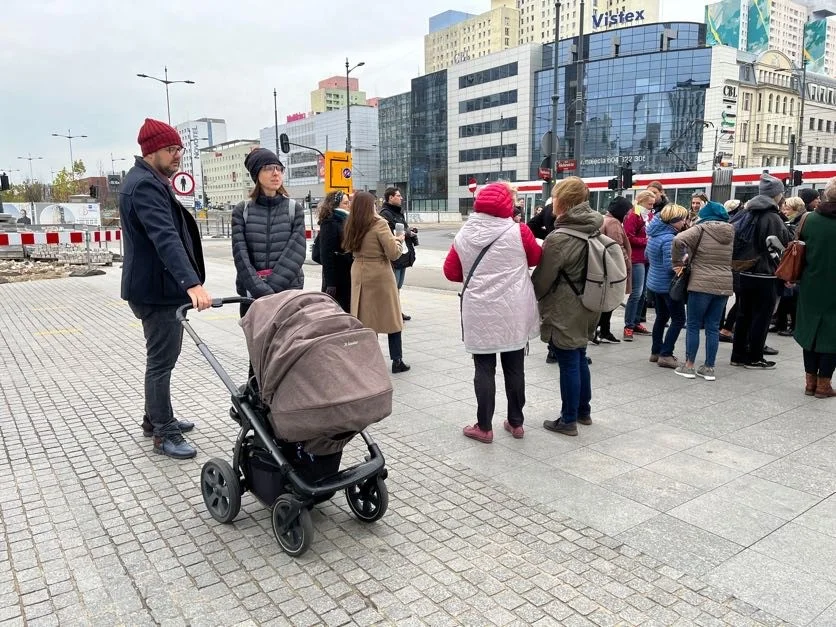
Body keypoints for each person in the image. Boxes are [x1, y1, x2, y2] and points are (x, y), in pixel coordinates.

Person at [120, 118, 210, 459]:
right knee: (161, 362)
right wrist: (192, 284)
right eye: (171, 150)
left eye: (179, 150)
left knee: (161, 360)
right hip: (155, 293)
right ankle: (163, 433)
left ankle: (154, 418)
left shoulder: (149, 180)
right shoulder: (144, 185)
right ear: (152, 150)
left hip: (156, 288)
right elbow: (165, 238)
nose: (177, 156)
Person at [443, 182, 542, 443]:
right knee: (514, 367)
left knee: (484, 368)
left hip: (479, 311)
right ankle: (516, 422)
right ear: (507, 205)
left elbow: (451, 272)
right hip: (513, 309)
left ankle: (484, 427)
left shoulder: (463, 234)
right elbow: (535, 258)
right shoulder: (519, 231)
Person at [532, 177, 601, 436]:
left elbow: (543, 279)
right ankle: (583, 411)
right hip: (589, 301)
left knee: (569, 361)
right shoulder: (594, 226)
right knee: (580, 356)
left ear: (562, 201)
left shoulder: (560, 237)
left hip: (565, 306)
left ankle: (568, 419)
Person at [231, 147, 306, 329]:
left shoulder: (293, 208)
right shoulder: (242, 211)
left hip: (287, 293)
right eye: (268, 168)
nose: (275, 173)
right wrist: (259, 289)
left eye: (279, 168)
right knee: (258, 350)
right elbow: (240, 254)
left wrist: (270, 289)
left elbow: (296, 252)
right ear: (256, 174)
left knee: (288, 348)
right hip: (252, 293)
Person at [343, 191, 410, 373]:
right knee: (392, 317)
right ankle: (397, 360)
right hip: (379, 271)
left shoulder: (351, 223)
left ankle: (366, 359)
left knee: (365, 318)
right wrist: (398, 240)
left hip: (359, 270)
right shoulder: (378, 223)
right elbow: (393, 253)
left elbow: (348, 247)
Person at [730, 174, 791, 370]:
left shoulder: (745, 213)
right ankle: (755, 357)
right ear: (777, 195)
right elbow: (782, 244)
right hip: (765, 274)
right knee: (762, 316)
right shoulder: (771, 217)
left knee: (743, 314)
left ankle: (738, 355)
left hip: (743, 271)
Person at [671, 202, 735, 380]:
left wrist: (677, 263)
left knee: (693, 324)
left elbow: (678, 240)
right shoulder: (730, 230)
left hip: (700, 283)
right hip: (723, 284)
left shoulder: (701, 228)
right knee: (713, 327)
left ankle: (689, 365)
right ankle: (709, 368)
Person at [795, 177, 836, 398]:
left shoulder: (808, 220)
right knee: (832, 335)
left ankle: (810, 382)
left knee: (809, 331)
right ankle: (823, 385)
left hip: (811, 284)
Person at [646, 204, 690, 368]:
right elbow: (670, 266)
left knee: (661, 317)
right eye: (682, 219)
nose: (684, 221)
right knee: (679, 319)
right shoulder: (670, 239)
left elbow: (647, 255)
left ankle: (656, 352)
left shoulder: (655, 234)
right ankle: (666, 354)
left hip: (655, 283)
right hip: (668, 286)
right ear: (674, 221)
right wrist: (685, 258)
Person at [595, 196, 632, 344]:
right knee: (610, 300)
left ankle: (599, 329)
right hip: (613, 268)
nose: (629, 215)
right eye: (628, 211)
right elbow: (617, 246)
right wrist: (626, 263)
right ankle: (603, 331)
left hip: (603, 266)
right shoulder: (614, 223)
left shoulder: (604, 219)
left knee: (604, 300)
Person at [378, 187, 417, 321]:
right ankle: (391, 313)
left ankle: (396, 311)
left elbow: (403, 228)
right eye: (398, 196)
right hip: (394, 253)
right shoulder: (385, 214)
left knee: (398, 286)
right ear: (390, 198)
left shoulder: (398, 213)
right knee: (392, 286)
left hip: (403, 252)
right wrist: (405, 233)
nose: (401, 198)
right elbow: (388, 235)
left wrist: (409, 231)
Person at [622, 190, 654, 340]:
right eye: (649, 204)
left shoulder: (647, 214)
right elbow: (628, 237)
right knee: (637, 292)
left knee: (644, 293)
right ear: (641, 202)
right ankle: (628, 326)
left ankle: (635, 322)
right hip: (636, 257)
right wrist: (646, 241)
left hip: (646, 257)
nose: (651, 206)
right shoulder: (633, 215)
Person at [772, 196, 806, 336]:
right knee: (786, 295)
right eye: (784, 208)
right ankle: (781, 323)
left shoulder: (800, 222)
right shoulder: (790, 221)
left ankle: (793, 326)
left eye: (788, 209)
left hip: (794, 262)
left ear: (796, 209)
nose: (785, 211)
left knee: (791, 296)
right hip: (787, 260)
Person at [317, 191, 353, 312]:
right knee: (338, 311)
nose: (348, 206)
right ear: (335, 205)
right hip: (337, 277)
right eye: (345, 203)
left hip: (347, 273)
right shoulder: (330, 223)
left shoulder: (346, 220)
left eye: (349, 202)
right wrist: (330, 283)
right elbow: (326, 255)